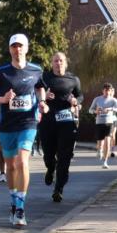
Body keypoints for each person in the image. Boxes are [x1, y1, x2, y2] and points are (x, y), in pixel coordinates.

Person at [0, 34, 47, 228]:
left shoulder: (36, 70)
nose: (17, 49)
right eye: (14, 46)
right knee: (11, 167)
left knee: (22, 161)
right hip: (7, 125)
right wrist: (3, 99)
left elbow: (40, 88)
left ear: (27, 48)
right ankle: (14, 202)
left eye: (21, 46)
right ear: (10, 49)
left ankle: (21, 207)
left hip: (28, 122)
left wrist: (42, 102)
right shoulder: (1, 72)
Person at [39, 52, 82, 201]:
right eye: (56, 61)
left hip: (66, 121)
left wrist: (75, 101)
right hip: (48, 121)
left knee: (65, 156)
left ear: (66, 63)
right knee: (48, 154)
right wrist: (43, 97)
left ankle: (59, 189)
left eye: (61, 60)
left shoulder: (73, 79)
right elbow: (36, 92)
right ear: (52, 63)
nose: (58, 63)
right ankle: (51, 168)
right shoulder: (45, 77)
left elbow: (80, 95)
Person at [90, 84, 117, 168]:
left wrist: (110, 109)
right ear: (103, 91)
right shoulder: (97, 99)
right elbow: (90, 110)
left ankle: (105, 162)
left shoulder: (113, 100)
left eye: (109, 90)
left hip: (109, 123)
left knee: (107, 141)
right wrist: (96, 111)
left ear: (111, 91)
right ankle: (99, 150)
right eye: (106, 90)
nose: (107, 92)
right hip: (99, 122)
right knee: (100, 142)